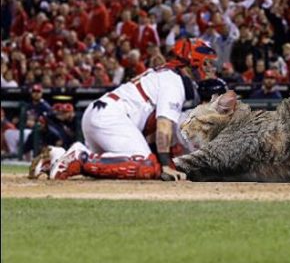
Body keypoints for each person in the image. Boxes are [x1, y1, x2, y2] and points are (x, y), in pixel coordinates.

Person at [42, 38, 217, 181]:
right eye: (206, 63)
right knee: (146, 166)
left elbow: (151, 129)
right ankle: (80, 158)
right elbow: (163, 125)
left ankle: (55, 159)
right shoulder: (173, 81)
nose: (210, 68)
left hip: (102, 114)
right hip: (113, 118)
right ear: (192, 61)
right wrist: (164, 164)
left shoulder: (163, 73)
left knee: (114, 166)